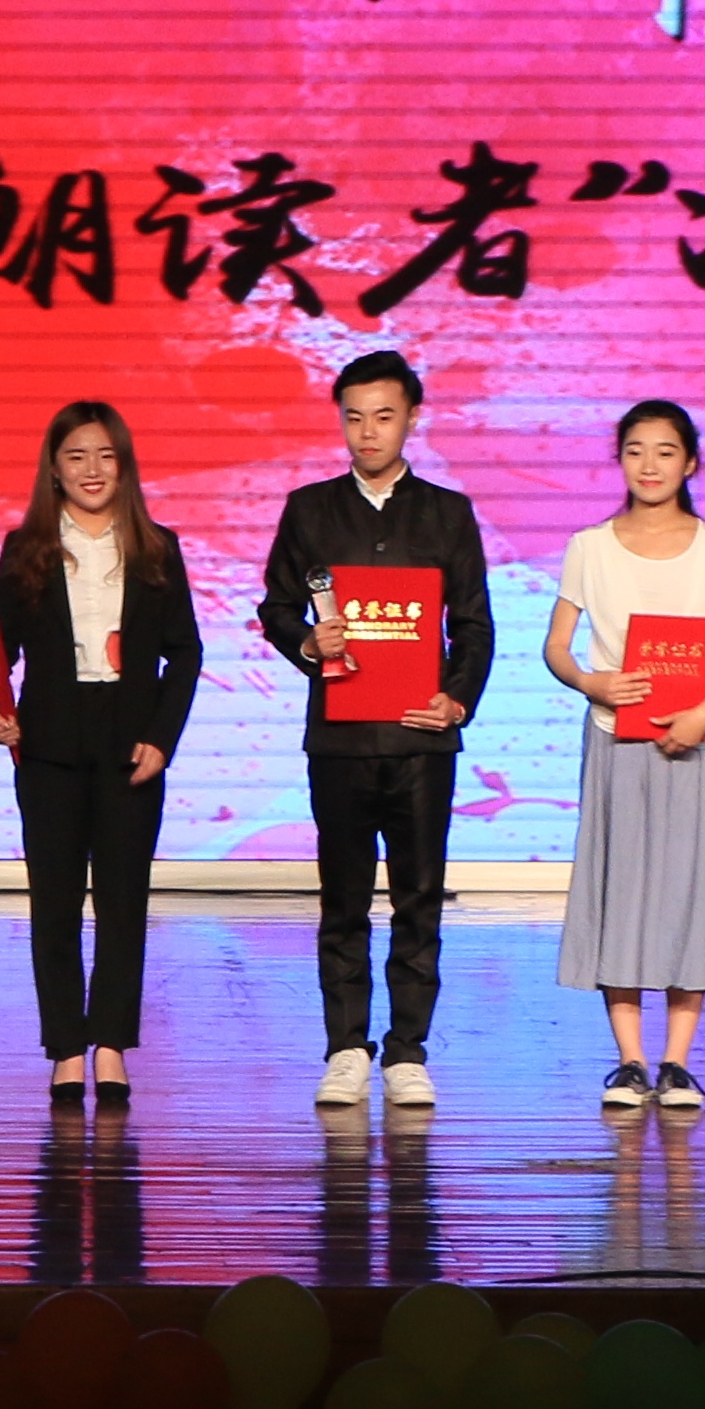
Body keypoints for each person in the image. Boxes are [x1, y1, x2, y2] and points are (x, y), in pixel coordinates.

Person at [254, 350, 496, 1110]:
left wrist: (456, 700)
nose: (368, 432)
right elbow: (277, 606)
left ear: (413, 420)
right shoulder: (311, 510)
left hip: (422, 740)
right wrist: (306, 641)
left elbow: (474, 625)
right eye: (354, 417)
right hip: (342, 740)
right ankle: (345, 1047)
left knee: (419, 897)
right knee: (344, 899)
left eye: (384, 416)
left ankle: (408, 1051)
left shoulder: (448, 513)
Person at [541, 400, 705, 1111]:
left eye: (665, 451)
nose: (649, 465)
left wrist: (703, 713)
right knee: (622, 889)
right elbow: (557, 646)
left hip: (696, 742)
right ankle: (630, 1061)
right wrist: (590, 681)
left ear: (690, 462)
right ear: (619, 459)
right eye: (635, 450)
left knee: (691, 892)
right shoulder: (590, 546)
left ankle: (677, 1063)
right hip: (618, 738)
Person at [0, 401, 201, 1106]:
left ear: (124, 465)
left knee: (123, 903)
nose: (92, 469)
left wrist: (162, 739)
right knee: (55, 904)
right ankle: (66, 1047)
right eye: (76, 456)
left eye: (105, 455)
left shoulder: (157, 548)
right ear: (54, 469)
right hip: (49, 744)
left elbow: (185, 653)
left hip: (131, 745)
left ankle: (111, 1044)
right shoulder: (27, 548)